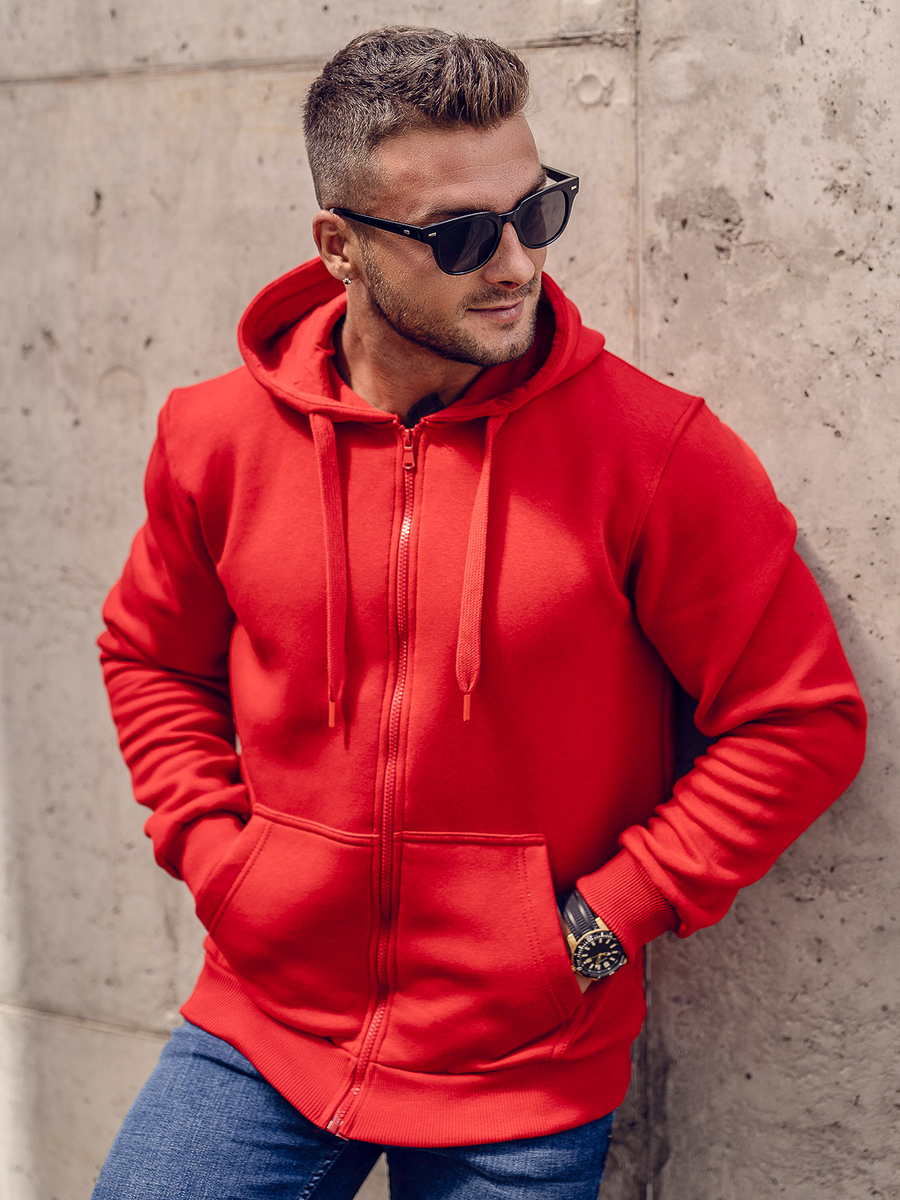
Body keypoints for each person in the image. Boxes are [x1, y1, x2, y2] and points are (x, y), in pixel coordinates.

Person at [93, 25, 866, 1200]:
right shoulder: (216, 439)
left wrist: (591, 931)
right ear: (341, 247)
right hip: (264, 1025)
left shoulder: (654, 454)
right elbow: (150, 656)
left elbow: (799, 719)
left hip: (522, 1062)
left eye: (535, 211)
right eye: (459, 236)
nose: (514, 263)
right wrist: (219, 860)